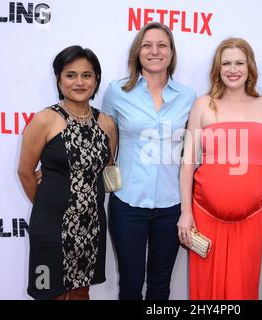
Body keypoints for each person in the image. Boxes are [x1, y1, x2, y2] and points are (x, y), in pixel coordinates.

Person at [102, 22, 196, 300]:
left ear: (171, 53)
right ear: (138, 52)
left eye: (162, 45)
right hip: (127, 204)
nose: (154, 51)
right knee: (130, 285)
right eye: (147, 45)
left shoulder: (188, 97)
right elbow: (106, 147)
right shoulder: (116, 91)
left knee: (160, 285)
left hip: (171, 207)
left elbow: (190, 154)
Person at [17, 45, 118, 300]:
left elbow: (106, 171)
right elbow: (25, 172)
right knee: (49, 293)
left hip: (91, 227)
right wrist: (49, 207)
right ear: (59, 80)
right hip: (51, 226)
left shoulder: (107, 123)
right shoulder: (45, 120)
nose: (79, 82)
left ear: (97, 80)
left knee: (81, 293)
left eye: (87, 75)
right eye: (70, 75)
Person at [178, 38, 262, 299]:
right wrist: (186, 214)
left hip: (251, 219)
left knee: (244, 289)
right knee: (206, 290)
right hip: (205, 217)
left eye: (239, 63)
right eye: (226, 63)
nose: (233, 69)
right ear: (218, 69)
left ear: (249, 67)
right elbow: (187, 164)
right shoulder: (203, 104)